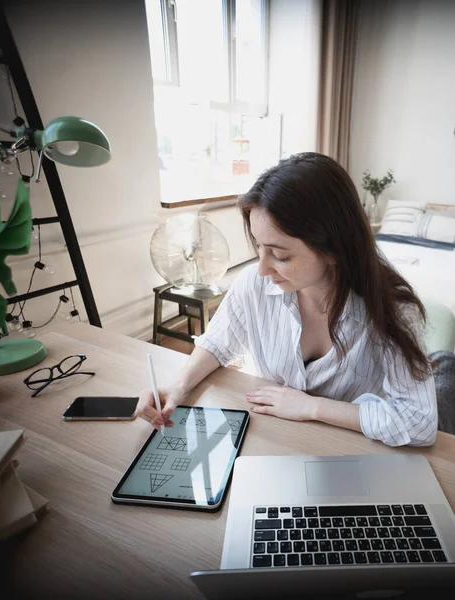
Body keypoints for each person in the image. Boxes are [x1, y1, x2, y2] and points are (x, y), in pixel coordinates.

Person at [137, 152, 437, 447]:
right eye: (258, 246)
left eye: (280, 255)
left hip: (354, 451)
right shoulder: (254, 285)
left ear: (333, 250)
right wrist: (178, 387)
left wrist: (312, 407)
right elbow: (218, 343)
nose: (263, 268)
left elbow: (419, 423)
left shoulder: (393, 310)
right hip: (275, 440)